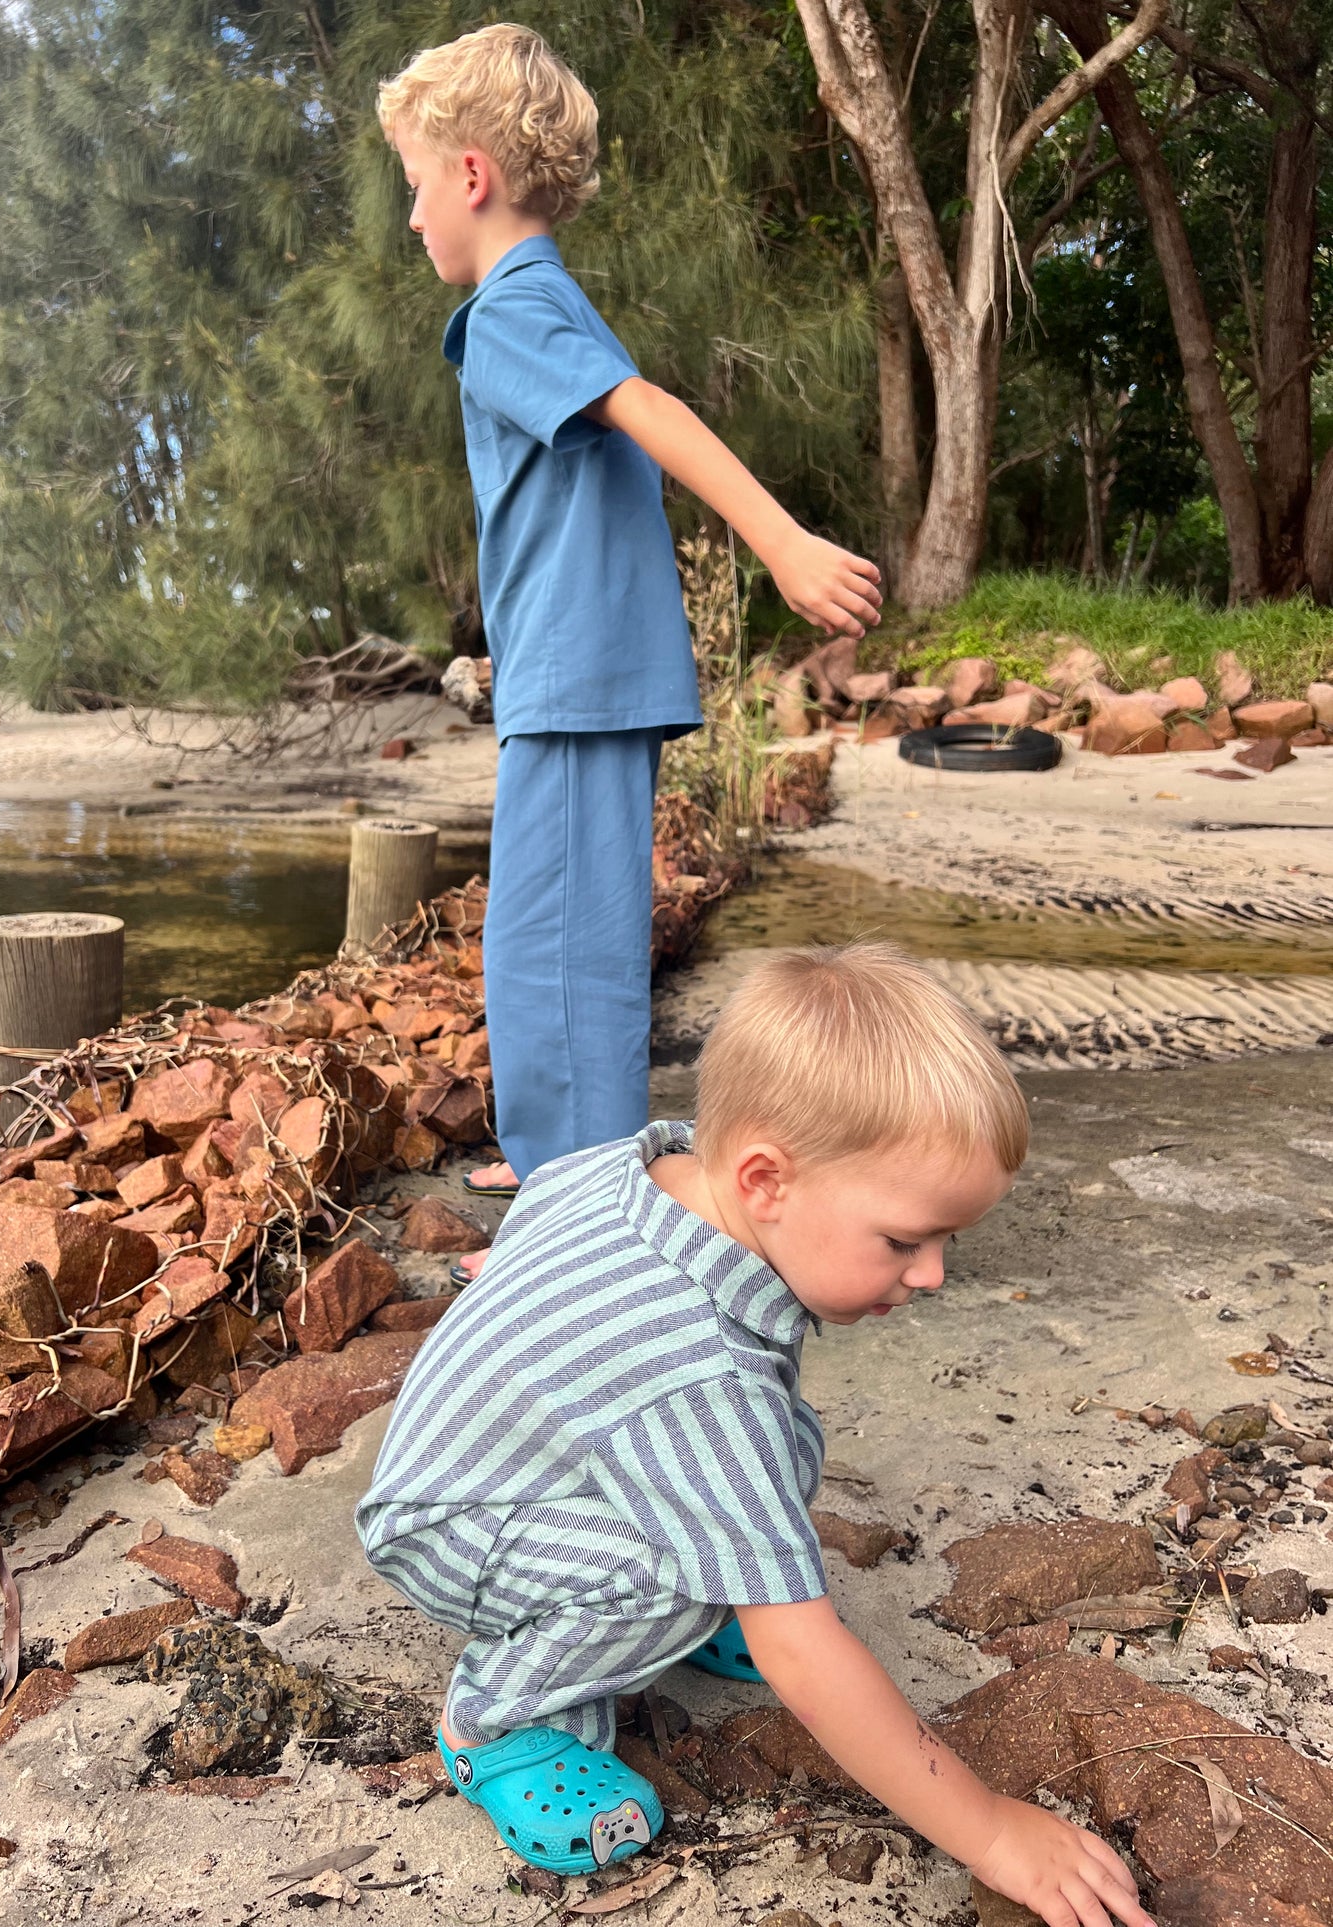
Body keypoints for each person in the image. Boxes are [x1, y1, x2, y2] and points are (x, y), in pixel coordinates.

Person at [356, 944, 1153, 1927]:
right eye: (904, 1239)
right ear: (766, 1179)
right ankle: (500, 1725)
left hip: (496, 1457)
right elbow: (804, 1657)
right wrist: (989, 1831)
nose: (933, 1274)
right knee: (674, 1572)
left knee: (776, 1452)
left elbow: (530, 1232)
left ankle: (670, 1598)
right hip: (452, 1519)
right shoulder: (694, 1368)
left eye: (946, 1240)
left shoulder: (650, 1160)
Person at [375, 25, 883, 1283]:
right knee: (552, 934)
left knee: (555, 944)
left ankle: (576, 1216)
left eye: (414, 185)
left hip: (575, 668)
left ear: (473, 176)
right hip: (584, 664)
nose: (409, 217)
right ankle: (561, 1149)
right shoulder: (538, 297)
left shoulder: (508, 309)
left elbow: (648, 410)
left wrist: (779, 542)